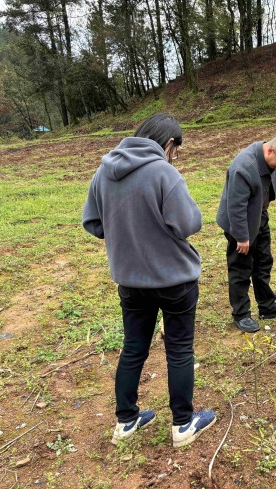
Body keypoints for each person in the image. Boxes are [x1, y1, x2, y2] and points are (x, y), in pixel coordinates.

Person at [82, 113, 216, 447]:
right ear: (169, 143)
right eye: (176, 151)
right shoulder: (163, 172)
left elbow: (93, 223)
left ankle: (126, 421)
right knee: (179, 350)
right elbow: (188, 224)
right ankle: (182, 425)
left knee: (133, 348)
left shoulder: (103, 172)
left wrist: (125, 229)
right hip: (175, 281)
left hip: (130, 281)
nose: (174, 157)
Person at [216, 135, 276, 333]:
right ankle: (241, 314)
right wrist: (242, 237)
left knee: (263, 262)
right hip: (239, 221)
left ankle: (267, 307)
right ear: (270, 151)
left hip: (258, 215)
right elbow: (235, 206)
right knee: (241, 268)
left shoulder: (271, 159)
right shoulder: (243, 167)